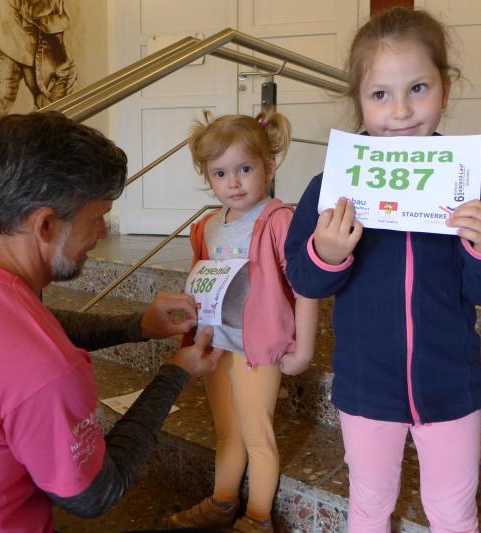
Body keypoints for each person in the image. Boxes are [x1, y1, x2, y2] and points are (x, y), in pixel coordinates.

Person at [0, 111, 223, 532]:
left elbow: (29, 328)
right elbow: (96, 494)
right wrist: (175, 373)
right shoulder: (45, 370)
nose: (103, 233)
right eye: (97, 217)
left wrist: (138, 326)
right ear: (46, 225)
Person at [284, 7, 481, 533]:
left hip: (450, 384)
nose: (401, 111)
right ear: (359, 101)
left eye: (418, 88)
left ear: (445, 90)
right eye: (380, 94)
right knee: (369, 506)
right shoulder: (332, 189)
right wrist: (327, 251)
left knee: (453, 511)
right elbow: (304, 280)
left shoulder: (469, 188)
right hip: (367, 386)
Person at [166, 111, 319, 533]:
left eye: (245, 169)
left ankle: (258, 517)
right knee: (227, 431)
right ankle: (222, 502)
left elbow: (306, 286)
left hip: (257, 349)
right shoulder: (207, 227)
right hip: (217, 344)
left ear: (269, 167)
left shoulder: (279, 219)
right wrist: (190, 335)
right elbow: (200, 284)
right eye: (220, 173)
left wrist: (303, 348)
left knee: (256, 435)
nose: (233, 183)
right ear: (208, 177)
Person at [0, 0, 77, 116]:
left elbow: (64, 20)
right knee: (4, 97)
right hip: (18, 48)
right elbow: (35, 17)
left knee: (46, 105)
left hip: (37, 53)